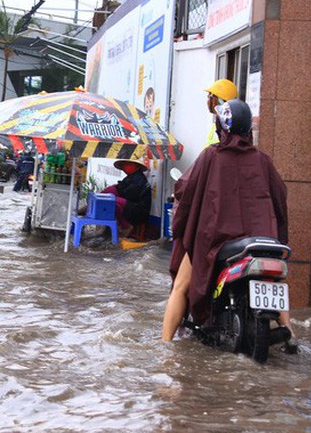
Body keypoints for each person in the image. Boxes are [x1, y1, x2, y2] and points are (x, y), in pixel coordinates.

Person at [161, 99, 295, 349]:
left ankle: (165, 347)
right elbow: (280, 197)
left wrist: (180, 217)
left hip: (216, 241)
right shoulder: (262, 160)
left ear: (221, 127)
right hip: (262, 240)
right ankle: (290, 333)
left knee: (180, 286)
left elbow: (186, 190)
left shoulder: (211, 155)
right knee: (276, 281)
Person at [98, 157, 152, 236]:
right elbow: (119, 189)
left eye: (129, 164)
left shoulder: (139, 179)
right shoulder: (129, 177)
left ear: (137, 166)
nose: (126, 166)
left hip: (138, 211)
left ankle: (126, 226)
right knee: (110, 190)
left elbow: (129, 195)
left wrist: (116, 192)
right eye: (125, 165)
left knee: (112, 201)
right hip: (129, 206)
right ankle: (89, 208)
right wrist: (112, 189)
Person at [204, 79, 238, 146]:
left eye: (209, 96)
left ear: (219, 100)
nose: (208, 100)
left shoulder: (226, 125)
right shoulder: (219, 122)